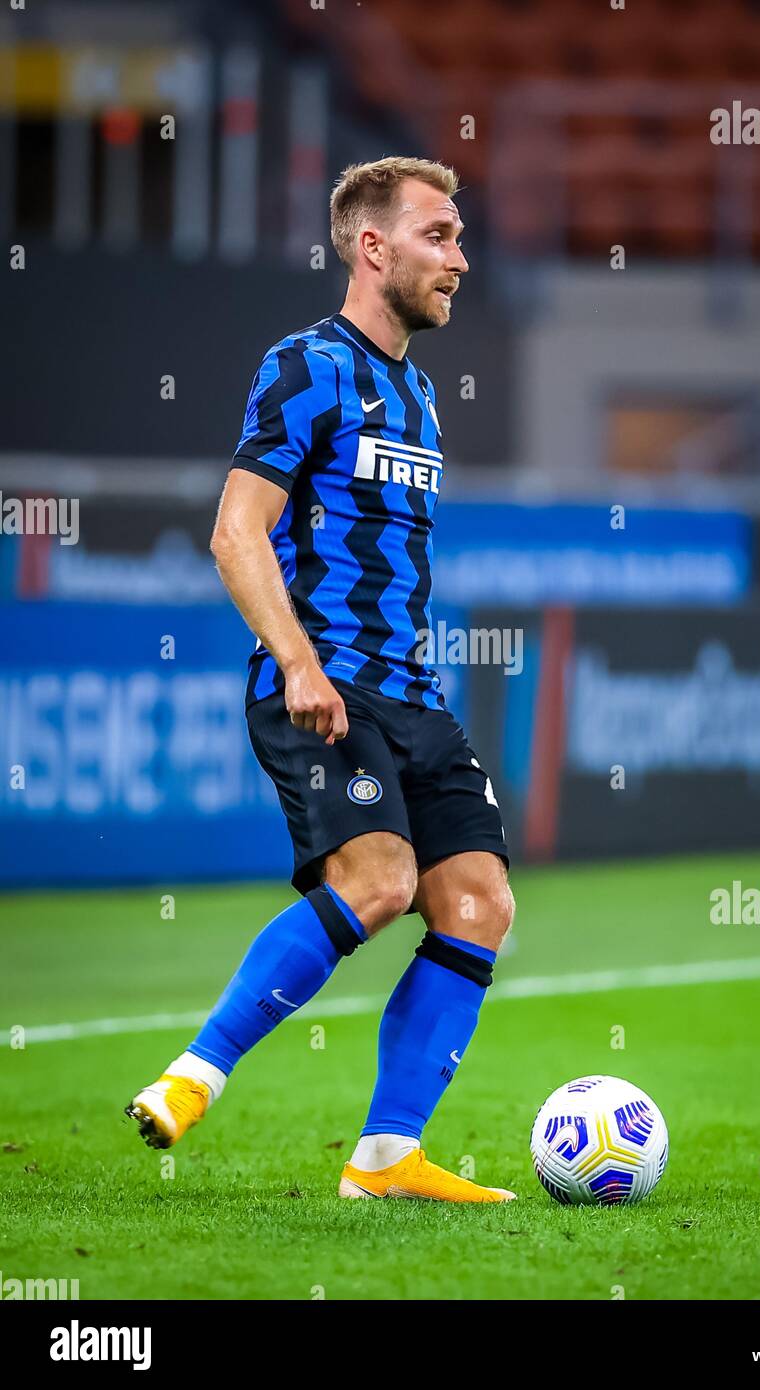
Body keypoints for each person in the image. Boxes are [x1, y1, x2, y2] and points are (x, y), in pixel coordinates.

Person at [126, 157, 516, 1202]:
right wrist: (297, 661)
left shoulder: (421, 394)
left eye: (460, 237)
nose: (459, 259)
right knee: (381, 881)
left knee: (477, 903)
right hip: (323, 683)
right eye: (439, 235)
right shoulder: (306, 364)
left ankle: (386, 1158)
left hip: (415, 694)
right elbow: (234, 530)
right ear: (372, 247)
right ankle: (191, 1078)